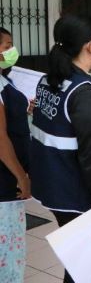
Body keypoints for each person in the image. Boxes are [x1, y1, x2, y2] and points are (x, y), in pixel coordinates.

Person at [29, 15, 91, 283]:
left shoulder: (50, 81)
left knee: (80, 267)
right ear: (89, 46)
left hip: (57, 191)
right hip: (79, 197)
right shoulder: (83, 93)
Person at [0, 28, 31, 282]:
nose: (12, 50)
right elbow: (0, 139)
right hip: (4, 178)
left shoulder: (4, 80)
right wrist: (21, 176)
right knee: (7, 245)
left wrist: (23, 109)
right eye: (6, 45)